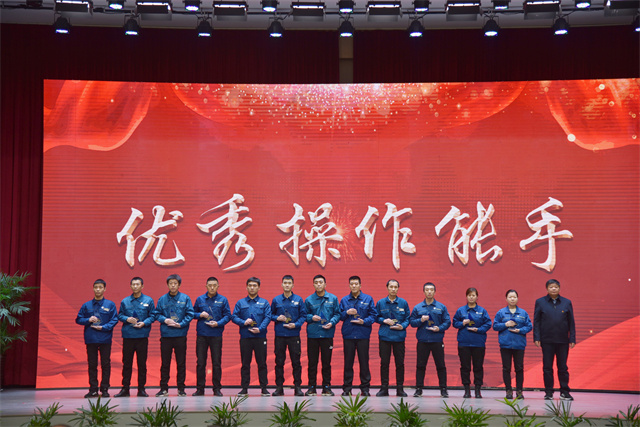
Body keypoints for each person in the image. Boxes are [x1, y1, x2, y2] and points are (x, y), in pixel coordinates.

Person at [152, 274, 194, 397]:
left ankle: (181, 389)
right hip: (166, 335)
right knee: (165, 363)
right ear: (168, 285)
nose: (173, 285)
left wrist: (181, 324)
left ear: (179, 285)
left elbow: (190, 314)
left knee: (181, 363)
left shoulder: (185, 298)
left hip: (180, 335)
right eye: (171, 283)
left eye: (175, 283)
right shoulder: (162, 299)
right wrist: (165, 320)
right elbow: (156, 314)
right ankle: (163, 388)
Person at [534, 279, 576, 401]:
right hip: (546, 340)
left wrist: (572, 338)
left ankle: (565, 391)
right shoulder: (540, 302)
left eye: (556, 287)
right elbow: (536, 321)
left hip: (563, 340)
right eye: (551, 287)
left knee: (562, 367)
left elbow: (571, 322)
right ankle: (548, 392)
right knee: (547, 367)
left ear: (559, 288)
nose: (553, 289)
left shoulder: (566, 302)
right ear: (547, 288)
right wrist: (537, 337)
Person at [75, 279, 118, 398]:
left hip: (105, 338)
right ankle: (93, 389)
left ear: (105, 289)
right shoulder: (86, 305)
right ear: (93, 289)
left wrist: (104, 327)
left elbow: (114, 319)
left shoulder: (110, 304)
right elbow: (78, 319)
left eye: (100, 287)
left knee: (106, 364)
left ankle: (105, 389)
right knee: (92, 365)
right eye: (96, 287)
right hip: (91, 339)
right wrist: (88, 320)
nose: (98, 289)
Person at [114, 277, 155, 398]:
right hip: (128, 336)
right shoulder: (125, 301)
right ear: (130, 286)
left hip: (142, 336)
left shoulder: (148, 300)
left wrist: (144, 323)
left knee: (142, 364)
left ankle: (141, 389)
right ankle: (125, 389)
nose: (135, 286)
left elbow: (153, 316)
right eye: (133, 284)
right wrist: (127, 319)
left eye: (138, 284)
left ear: (142, 286)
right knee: (127, 364)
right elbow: (119, 315)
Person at [409, 282, 451, 398]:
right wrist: (421, 320)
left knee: (441, 365)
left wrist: (439, 328)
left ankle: (443, 389)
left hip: (437, 340)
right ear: (423, 292)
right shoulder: (418, 307)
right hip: (423, 341)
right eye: (427, 289)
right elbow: (412, 322)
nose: (429, 292)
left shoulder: (441, 307)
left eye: (431, 290)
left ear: (435, 292)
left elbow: (447, 322)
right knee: (420, 366)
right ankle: (419, 389)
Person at [232, 277, 272, 397]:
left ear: (259, 288)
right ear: (246, 287)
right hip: (246, 337)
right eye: (250, 285)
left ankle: (264, 388)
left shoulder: (264, 303)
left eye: (255, 285)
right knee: (245, 364)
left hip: (260, 337)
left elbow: (268, 317)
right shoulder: (240, 303)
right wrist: (243, 322)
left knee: (262, 363)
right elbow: (234, 317)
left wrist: (260, 328)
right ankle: (244, 388)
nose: (252, 288)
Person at [192, 277, 231, 396]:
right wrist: (200, 314)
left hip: (216, 335)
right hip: (202, 335)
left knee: (216, 363)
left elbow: (228, 316)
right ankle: (200, 389)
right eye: (210, 285)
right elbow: (192, 313)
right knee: (201, 363)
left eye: (214, 285)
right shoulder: (200, 299)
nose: (212, 287)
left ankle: (217, 388)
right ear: (206, 286)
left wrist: (218, 323)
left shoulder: (223, 300)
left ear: (218, 286)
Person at [339, 275, 377, 397]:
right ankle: (347, 388)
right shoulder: (344, 300)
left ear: (360, 285)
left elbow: (373, 316)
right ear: (349, 286)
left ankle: (365, 389)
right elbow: (340, 316)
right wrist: (346, 312)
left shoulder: (368, 299)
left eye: (356, 284)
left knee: (364, 363)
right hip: (348, 335)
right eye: (352, 284)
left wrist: (364, 321)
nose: (354, 286)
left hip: (363, 335)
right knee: (348, 363)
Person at [304, 274, 341, 396]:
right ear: (313, 285)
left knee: (326, 363)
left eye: (321, 282)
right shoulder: (309, 300)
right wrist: (311, 317)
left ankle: (326, 387)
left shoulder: (333, 298)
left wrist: (332, 322)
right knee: (312, 363)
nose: (318, 284)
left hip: (327, 334)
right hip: (313, 335)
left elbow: (337, 314)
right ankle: (312, 387)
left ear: (325, 284)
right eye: (316, 282)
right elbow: (304, 315)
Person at [452, 287, 492, 398]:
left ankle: (478, 390)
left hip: (478, 343)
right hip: (464, 343)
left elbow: (488, 324)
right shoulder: (461, 310)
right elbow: (454, 323)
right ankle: (467, 390)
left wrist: (478, 329)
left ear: (477, 297)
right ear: (466, 297)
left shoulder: (482, 311)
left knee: (478, 367)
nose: (471, 297)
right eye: (469, 295)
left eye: (473, 295)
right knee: (465, 367)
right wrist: (462, 323)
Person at [271, 275, 307, 397]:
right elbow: (270, 315)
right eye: (285, 283)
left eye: (289, 283)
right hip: (280, 335)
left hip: (294, 335)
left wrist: (295, 325)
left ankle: (298, 387)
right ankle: (279, 388)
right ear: (282, 285)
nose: (287, 285)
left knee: (296, 362)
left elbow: (303, 316)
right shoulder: (276, 300)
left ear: (293, 285)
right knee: (279, 362)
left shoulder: (298, 299)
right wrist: (277, 318)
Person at [493, 289, 532, 400]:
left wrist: (520, 330)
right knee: (506, 368)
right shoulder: (501, 312)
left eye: (514, 297)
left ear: (517, 299)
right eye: (510, 297)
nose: (512, 299)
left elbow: (529, 326)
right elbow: (495, 326)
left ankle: (519, 391)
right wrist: (505, 324)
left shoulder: (523, 313)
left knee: (519, 368)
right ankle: (508, 390)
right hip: (505, 345)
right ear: (506, 299)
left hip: (519, 345)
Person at [375, 279, 410, 397]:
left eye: (395, 287)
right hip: (385, 337)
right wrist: (383, 320)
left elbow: (408, 318)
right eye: (391, 287)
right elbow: (375, 316)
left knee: (400, 364)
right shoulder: (381, 303)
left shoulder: (403, 303)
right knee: (384, 364)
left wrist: (403, 326)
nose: (393, 289)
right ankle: (384, 388)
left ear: (398, 288)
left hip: (399, 338)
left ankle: (400, 389)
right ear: (387, 288)